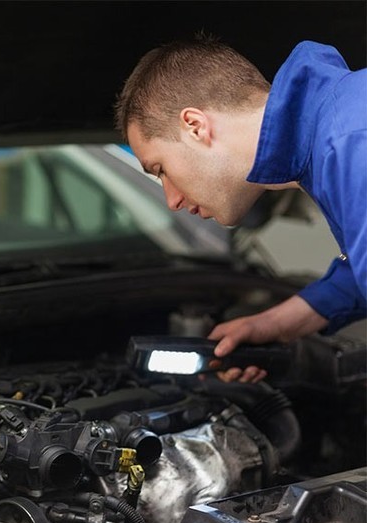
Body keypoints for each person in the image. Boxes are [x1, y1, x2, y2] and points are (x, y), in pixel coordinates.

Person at [114, 35, 366, 382]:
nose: (171, 200)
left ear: (195, 127)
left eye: (160, 170)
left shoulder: (352, 144)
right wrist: (274, 325)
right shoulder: (334, 132)